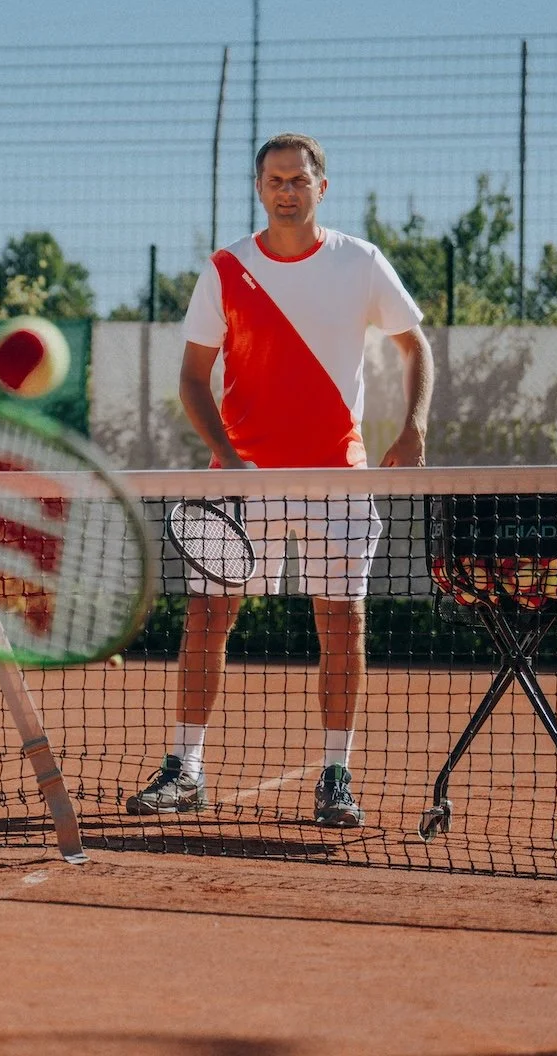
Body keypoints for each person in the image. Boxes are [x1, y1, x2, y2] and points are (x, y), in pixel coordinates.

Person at [124, 132, 432, 828]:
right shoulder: (226, 268)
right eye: (274, 180)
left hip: (337, 480)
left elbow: (415, 347)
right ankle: (186, 769)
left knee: (342, 621)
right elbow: (192, 377)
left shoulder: (361, 261)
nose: (286, 190)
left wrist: (413, 425)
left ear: (322, 186)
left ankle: (336, 777)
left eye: (298, 179)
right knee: (208, 618)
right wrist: (227, 457)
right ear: (260, 188)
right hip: (241, 482)